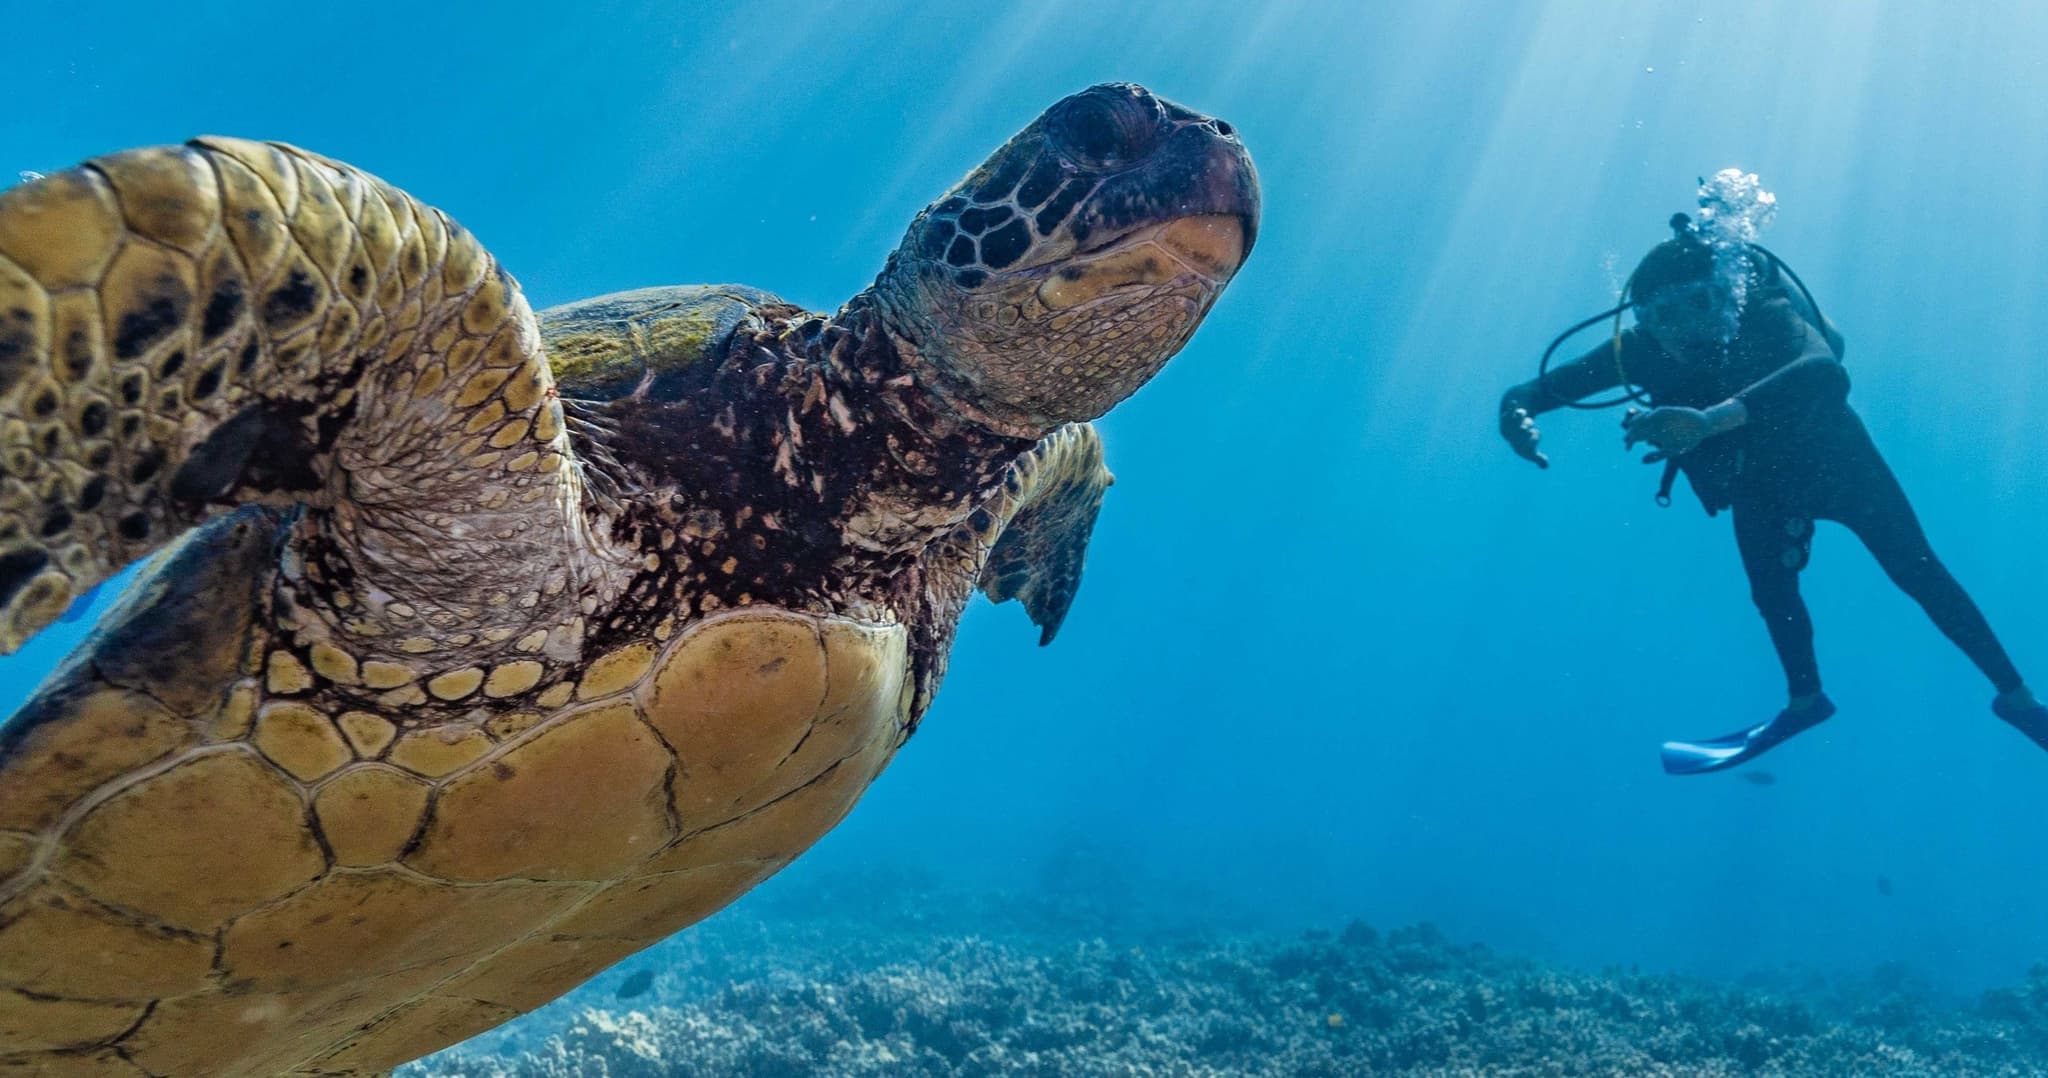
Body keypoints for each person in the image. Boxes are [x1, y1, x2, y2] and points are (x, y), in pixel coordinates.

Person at [1497, 212, 2048, 774]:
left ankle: (2018, 699)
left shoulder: (1765, 317)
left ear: (1728, 297)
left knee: (1918, 571)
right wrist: (1514, 414)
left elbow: (1824, 372)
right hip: (1759, 479)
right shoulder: (1638, 351)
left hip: (1837, 460)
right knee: (1772, 592)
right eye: (1663, 315)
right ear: (1642, 321)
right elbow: (1535, 390)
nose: (1684, 328)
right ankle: (1805, 701)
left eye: (1700, 304)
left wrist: (1710, 421)